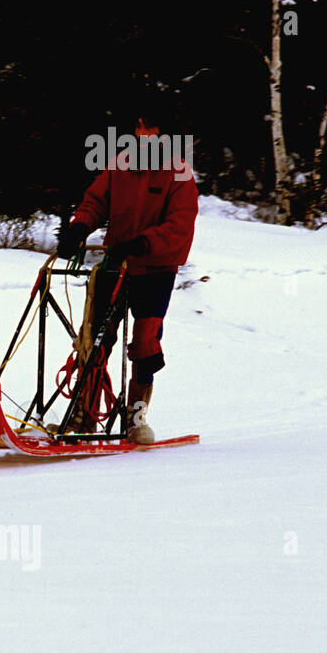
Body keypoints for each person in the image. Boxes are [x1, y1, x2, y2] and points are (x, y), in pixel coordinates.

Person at [55, 113, 199, 442]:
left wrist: (142, 243)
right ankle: (84, 415)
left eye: (150, 129)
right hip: (114, 265)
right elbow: (95, 201)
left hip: (155, 269)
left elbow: (180, 227)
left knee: (146, 344)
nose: (142, 135)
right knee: (95, 340)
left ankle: (136, 417)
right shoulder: (122, 164)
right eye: (138, 129)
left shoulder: (179, 174)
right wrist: (78, 227)